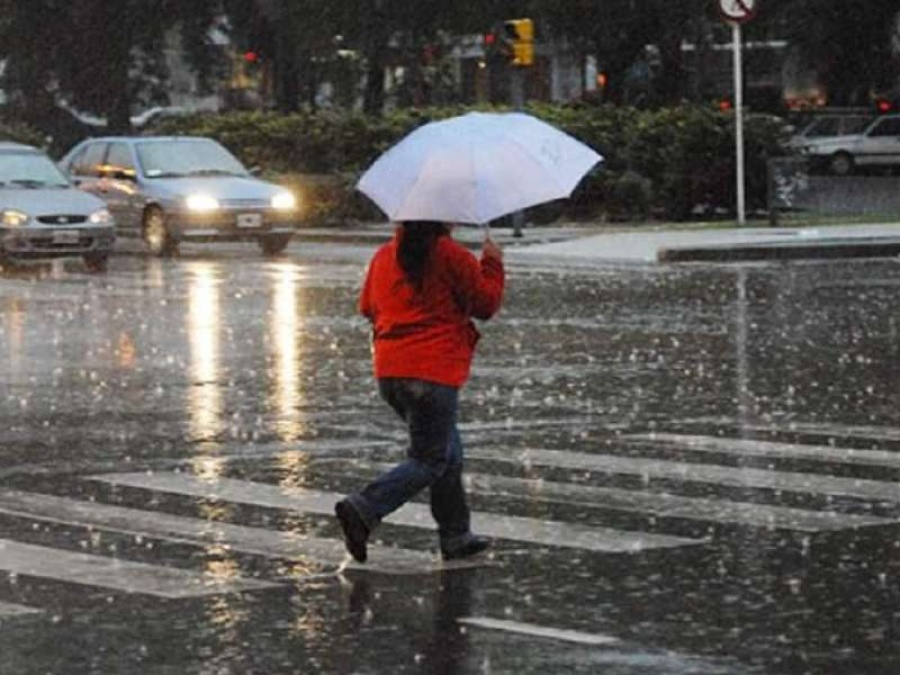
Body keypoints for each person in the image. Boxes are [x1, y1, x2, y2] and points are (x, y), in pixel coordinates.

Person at [335, 220, 505, 563]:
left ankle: (456, 535)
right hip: (433, 371)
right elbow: (485, 305)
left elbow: (367, 307)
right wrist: (492, 263)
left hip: (391, 371)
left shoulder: (385, 256)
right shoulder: (450, 255)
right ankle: (366, 507)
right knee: (430, 458)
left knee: (447, 452)